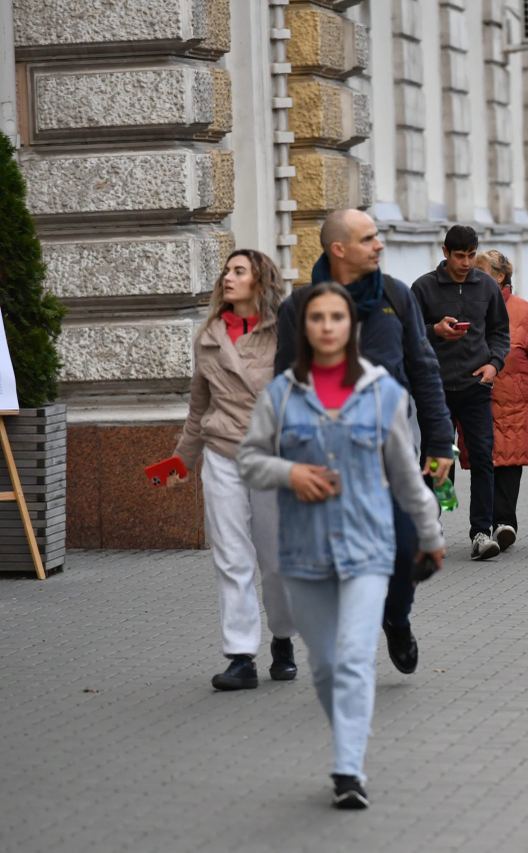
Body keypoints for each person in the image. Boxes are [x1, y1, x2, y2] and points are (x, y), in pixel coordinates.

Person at [240, 282, 446, 810]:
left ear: (352, 328)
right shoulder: (282, 395)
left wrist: (429, 534)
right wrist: (290, 472)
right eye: (317, 318)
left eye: (337, 317)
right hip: (304, 554)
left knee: (355, 659)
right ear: (304, 329)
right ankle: (346, 743)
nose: (327, 326)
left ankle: (348, 767)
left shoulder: (383, 394)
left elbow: (405, 476)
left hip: (367, 548)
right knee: (328, 666)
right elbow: (250, 461)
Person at [275, 208, 453, 678]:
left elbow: (424, 368)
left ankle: (396, 618)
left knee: (406, 545)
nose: (380, 245)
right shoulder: (299, 309)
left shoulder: (396, 296)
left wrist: (440, 443)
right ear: (339, 250)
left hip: (389, 455)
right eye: (369, 238)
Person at [157, 249, 296, 690]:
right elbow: (199, 407)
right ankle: (240, 655)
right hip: (221, 455)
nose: (228, 277)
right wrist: (183, 456)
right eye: (227, 271)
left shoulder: (284, 335)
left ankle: (283, 637)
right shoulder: (210, 336)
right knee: (232, 559)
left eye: (239, 270)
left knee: (274, 561)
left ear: (261, 280)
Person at [412, 225, 512, 561]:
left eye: (471, 255)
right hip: (435, 388)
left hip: (475, 386)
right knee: (436, 459)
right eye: (459, 255)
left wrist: (494, 365)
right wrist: (435, 331)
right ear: (445, 252)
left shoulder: (486, 286)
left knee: (484, 456)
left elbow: (500, 331)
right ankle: (430, 527)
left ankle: (481, 532)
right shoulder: (424, 288)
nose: (466, 262)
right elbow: (408, 335)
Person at [469, 249, 528, 551]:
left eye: (481, 270)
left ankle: (504, 524)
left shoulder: (524, 313)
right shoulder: (467, 309)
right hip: (477, 402)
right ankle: (482, 529)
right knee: (484, 464)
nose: (474, 275)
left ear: (500, 276)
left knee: (508, 465)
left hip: (515, 406)